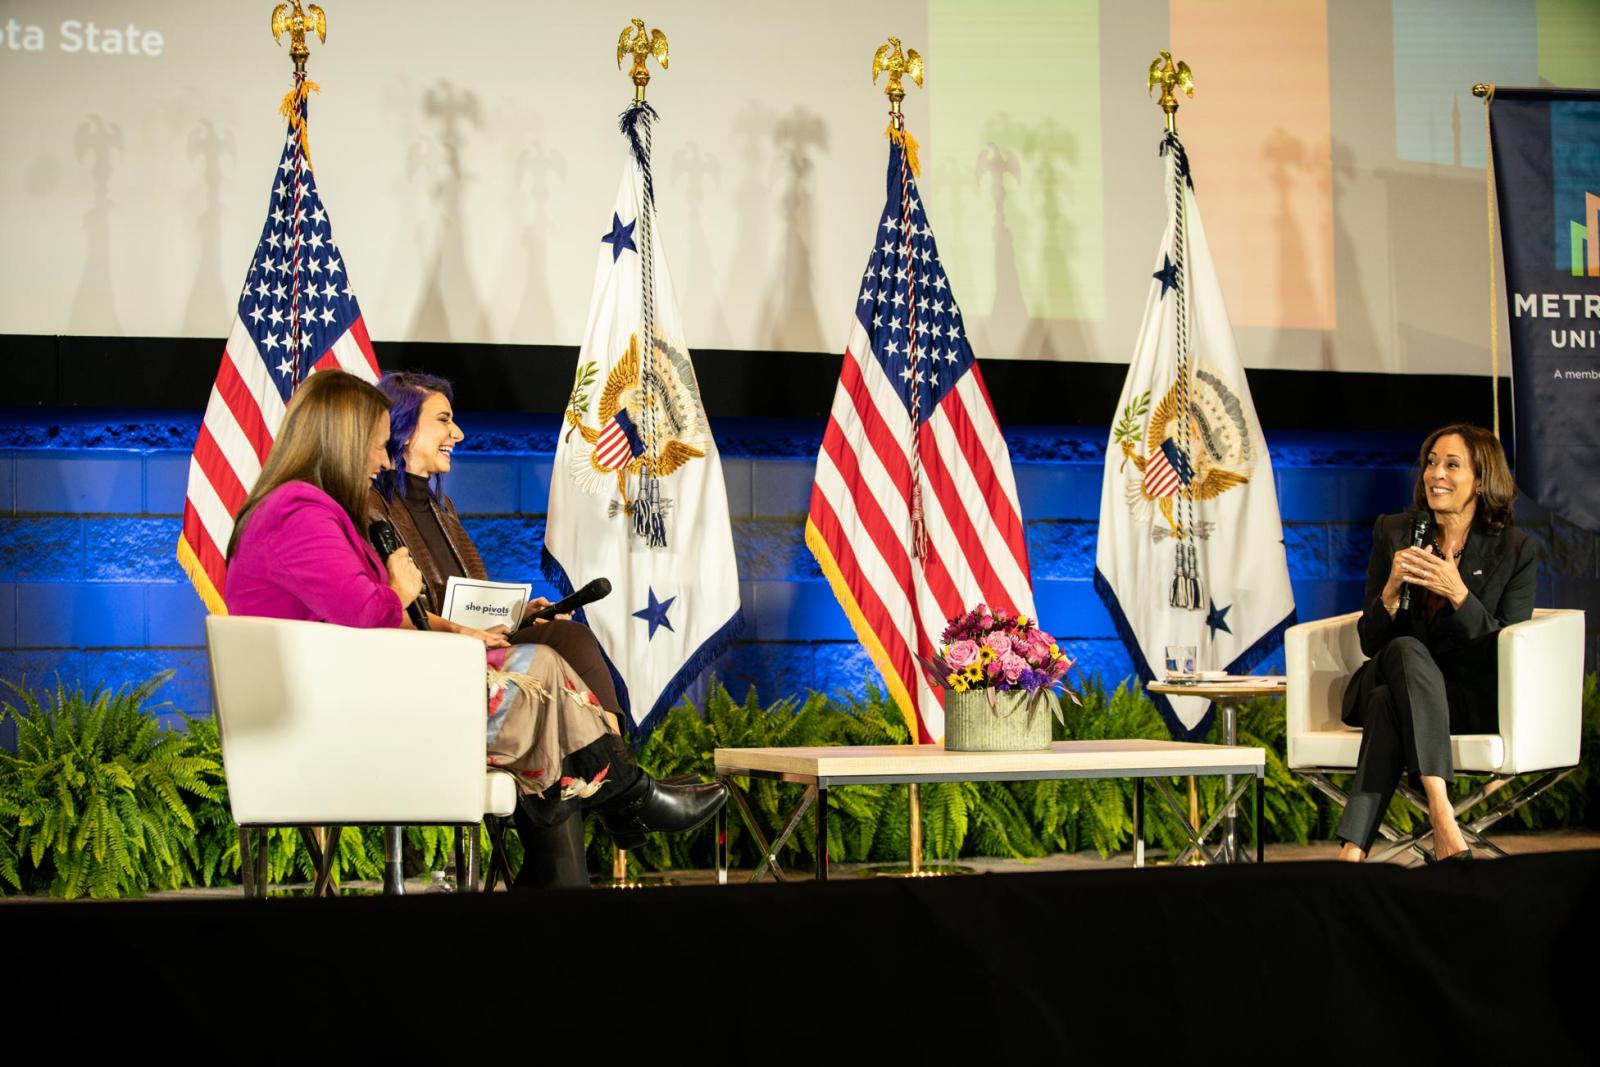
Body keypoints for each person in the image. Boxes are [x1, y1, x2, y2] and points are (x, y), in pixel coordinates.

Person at [224, 370, 726, 889]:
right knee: (541, 673)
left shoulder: (310, 511)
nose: (380, 460)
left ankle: (582, 854)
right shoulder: (298, 514)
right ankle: (628, 798)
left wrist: (444, 623)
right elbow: (368, 614)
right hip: (334, 720)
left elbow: (382, 617)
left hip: (359, 698)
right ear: (342, 442)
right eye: (376, 447)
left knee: (547, 684)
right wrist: (398, 585)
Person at [1336, 423, 1537, 863]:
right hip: (1392, 665)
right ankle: (1443, 818)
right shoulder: (1393, 531)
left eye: (1452, 464)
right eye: (1430, 463)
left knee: (1389, 703)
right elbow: (1372, 642)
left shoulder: (1515, 550)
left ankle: (1351, 853)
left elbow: (1506, 650)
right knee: (1405, 652)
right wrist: (1389, 592)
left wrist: (1458, 593)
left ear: (1481, 481)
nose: (1435, 474)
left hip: (1462, 696)